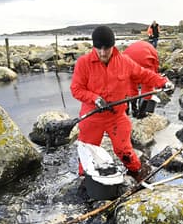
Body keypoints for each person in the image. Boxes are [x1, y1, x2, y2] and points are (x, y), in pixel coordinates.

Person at [70, 25, 173, 178]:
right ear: (94, 46)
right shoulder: (83, 63)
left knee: (124, 151)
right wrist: (95, 98)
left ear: (113, 46)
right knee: (87, 154)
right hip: (92, 116)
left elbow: (144, 75)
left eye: (107, 48)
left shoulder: (124, 62)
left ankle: (137, 175)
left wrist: (163, 82)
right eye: (99, 48)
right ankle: (84, 181)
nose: (103, 53)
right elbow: (76, 89)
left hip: (117, 116)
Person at [123, 40, 160, 118]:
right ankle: (141, 113)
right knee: (148, 86)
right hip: (145, 59)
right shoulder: (152, 50)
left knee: (131, 85)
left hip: (127, 59)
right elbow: (154, 71)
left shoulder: (133, 46)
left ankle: (132, 110)